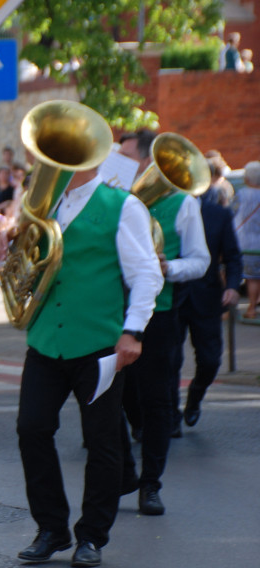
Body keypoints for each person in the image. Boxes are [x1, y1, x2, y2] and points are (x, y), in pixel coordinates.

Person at [0, 146, 163, 568]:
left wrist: (132, 331)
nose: (52, 163)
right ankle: (51, 528)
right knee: (31, 429)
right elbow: (26, 264)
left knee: (103, 442)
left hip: (100, 342)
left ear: (91, 159)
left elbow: (146, 274)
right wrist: (6, 243)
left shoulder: (123, 206)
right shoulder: (43, 205)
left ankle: (92, 536)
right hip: (47, 339)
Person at [117, 129, 209, 516]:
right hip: (107, 311)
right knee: (112, 396)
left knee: (157, 402)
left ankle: (150, 483)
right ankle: (124, 471)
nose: (116, 165)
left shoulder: (183, 203)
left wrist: (167, 266)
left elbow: (200, 261)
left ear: (148, 162)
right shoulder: (111, 197)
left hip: (161, 312)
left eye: (125, 158)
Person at [171, 192, 242, 430]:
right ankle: (171, 416)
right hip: (171, 297)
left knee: (210, 360)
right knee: (170, 360)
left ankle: (195, 396)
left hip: (208, 297)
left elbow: (233, 256)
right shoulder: (165, 206)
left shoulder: (218, 214)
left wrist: (232, 287)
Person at [235, 161, 260, 321]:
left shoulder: (241, 194)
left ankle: (251, 307)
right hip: (257, 240)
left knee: (251, 277)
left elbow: (231, 213)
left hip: (246, 240)